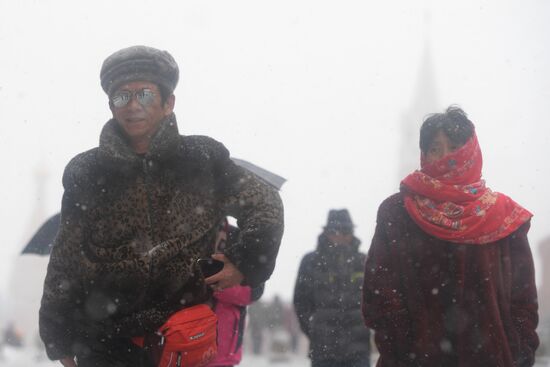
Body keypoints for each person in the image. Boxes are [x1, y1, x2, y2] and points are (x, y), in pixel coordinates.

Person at [39, 45, 284, 367]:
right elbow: (66, 257)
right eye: (121, 96)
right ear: (111, 106)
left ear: (168, 102)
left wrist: (245, 262)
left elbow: (265, 203)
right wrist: (58, 336)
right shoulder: (86, 171)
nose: (132, 106)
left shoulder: (202, 159)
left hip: (183, 338)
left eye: (144, 94)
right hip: (102, 341)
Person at [362, 106, 538, 366]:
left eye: (454, 148)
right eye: (435, 149)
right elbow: (379, 295)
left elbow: (522, 301)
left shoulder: (503, 216)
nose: (446, 158)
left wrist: (520, 354)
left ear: (470, 151)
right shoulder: (397, 213)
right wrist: (402, 348)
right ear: (423, 154)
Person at [294, 209, 371, 367]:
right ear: (327, 232)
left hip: (359, 352)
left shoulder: (364, 261)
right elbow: (300, 301)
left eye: (346, 230)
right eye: (335, 230)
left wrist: (365, 329)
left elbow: (374, 301)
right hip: (323, 352)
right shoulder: (311, 261)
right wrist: (314, 330)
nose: (341, 235)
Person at [207, 220, 264, 367]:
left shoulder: (239, 238)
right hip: (187, 344)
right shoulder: (193, 234)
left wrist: (211, 285)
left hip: (223, 351)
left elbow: (254, 290)